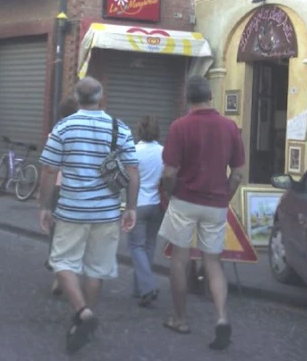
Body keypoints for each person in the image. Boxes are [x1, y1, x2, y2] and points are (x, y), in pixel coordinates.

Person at [38, 77, 139, 354]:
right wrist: (130, 207)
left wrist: (45, 206)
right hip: (106, 212)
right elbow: (132, 170)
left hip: (71, 210)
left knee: (60, 260)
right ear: (100, 98)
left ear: (76, 98)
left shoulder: (64, 127)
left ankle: (82, 313)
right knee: (97, 268)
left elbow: (48, 170)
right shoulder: (120, 128)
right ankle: (86, 314)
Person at [158, 75, 245, 351]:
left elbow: (169, 172)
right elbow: (239, 173)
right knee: (213, 263)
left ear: (188, 99)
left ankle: (180, 318)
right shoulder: (230, 127)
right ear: (210, 96)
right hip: (216, 203)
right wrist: (225, 197)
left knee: (180, 260)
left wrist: (170, 192)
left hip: (184, 200)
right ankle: (221, 318)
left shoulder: (179, 126)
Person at [128, 116, 164, 307]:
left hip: (138, 204)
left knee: (136, 246)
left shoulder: (133, 151)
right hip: (157, 204)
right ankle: (139, 288)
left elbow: (127, 178)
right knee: (149, 246)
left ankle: (147, 286)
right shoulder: (163, 152)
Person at [45, 96, 79, 297]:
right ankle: (64, 274)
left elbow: (49, 168)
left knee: (57, 232)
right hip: (79, 188)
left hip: (59, 187)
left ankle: (59, 273)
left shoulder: (56, 133)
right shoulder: (85, 131)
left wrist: (43, 202)